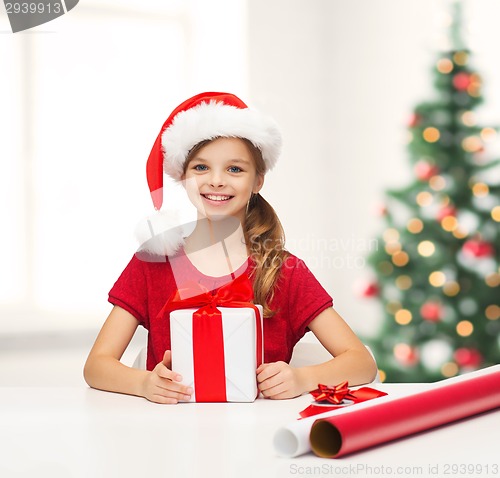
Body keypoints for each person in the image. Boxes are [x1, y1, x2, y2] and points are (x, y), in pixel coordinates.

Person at [84, 92, 377, 404]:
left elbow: (361, 363)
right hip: (170, 437)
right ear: (183, 177)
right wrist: (144, 384)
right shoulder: (153, 262)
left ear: (258, 180)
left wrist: (303, 378)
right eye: (201, 168)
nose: (217, 181)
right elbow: (96, 366)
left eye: (235, 169)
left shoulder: (285, 271)